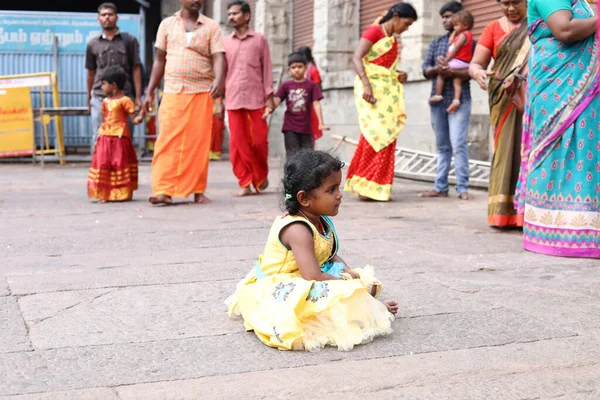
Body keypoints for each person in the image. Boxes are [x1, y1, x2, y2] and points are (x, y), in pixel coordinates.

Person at [226, 150, 398, 351]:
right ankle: (370, 308)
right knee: (345, 295)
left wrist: (352, 274)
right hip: (286, 284)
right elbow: (312, 275)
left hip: (311, 275)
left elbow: (330, 255)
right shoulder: (298, 229)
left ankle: (365, 304)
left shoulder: (320, 220)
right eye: (331, 190)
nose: (339, 195)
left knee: (366, 284)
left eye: (338, 188)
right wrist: (348, 285)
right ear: (304, 198)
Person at [515, 0, 599, 258]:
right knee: (564, 148)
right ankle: (558, 231)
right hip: (559, 90)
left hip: (586, 88)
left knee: (587, 155)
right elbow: (565, 29)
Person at [143, 0, 225, 205]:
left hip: (201, 91)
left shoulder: (211, 26)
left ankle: (197, 190)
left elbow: (218, 58)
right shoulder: (167, 24)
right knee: (167, 141)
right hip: (173, 90)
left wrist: (219, 80)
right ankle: (163, 190)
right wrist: (149, 91)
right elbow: (159, 60)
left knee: (198, 143)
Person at [344, 2, 416, 202]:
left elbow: (386, 68)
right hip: (371, 92)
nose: (406, 28)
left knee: (387, 138)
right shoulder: (374, 31)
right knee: (374, 136)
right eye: (406, 23)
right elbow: (357, 58)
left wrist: (399, 75)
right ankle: (364, 185)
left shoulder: (391, 39)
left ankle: (376, 187)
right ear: (395, 17)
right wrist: (367, 85)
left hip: (387, 94)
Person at [469, 0, 529, 228]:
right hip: (502, 98)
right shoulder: (492, 28)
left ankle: (529, 212)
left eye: (516, 2)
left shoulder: (538, 22)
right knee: (505, 150)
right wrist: (478, 73)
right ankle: (503, 212)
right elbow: (475, 63)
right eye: (505, 3)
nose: (511, 8)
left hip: (533, 96)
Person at [420, 1, 472, 200]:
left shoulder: (469, 40)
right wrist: (438, 70)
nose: (445, 20)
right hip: (438, 101)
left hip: (460, 100)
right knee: (442, 146)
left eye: (448, 16)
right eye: (442, 17)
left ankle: (462, 188)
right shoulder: (437, 42)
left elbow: (472, 69)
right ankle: (440, 186)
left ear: (460, 17)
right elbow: (426, 70)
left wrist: (453, 71)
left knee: (459, 144)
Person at [223, 0, 274, 197]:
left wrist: (269, 96)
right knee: (237, 144)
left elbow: (267, 68)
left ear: (247, 15)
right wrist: (219, 101)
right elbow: (222, 72)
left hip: (256, 99)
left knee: (260, 142)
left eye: (235, 13)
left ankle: (260, 176)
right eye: (229, 14)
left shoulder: (260, 40)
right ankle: (244, 182)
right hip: (233, 99)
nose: (231, 17)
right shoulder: (225, 43)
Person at [86, 2, 142, 147]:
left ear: (116, 18)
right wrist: (88, 98)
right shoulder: (93, 44)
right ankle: (100, 168)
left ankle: (123, 169)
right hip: (99, 97)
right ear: (98, 19)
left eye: (110, 14)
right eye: (103, 15)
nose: (107, 18)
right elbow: (91, 72)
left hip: (124, 97)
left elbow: (136, 69)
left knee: (124, 137)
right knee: (99, 137)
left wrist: (137, 97)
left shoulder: (129, 41)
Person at [87, 67, 144, 203]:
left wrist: (140, 117)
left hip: (120, 139)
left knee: (119, 163)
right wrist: (98, 138)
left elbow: (133, 119)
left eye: (104, 84)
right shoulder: (105, 102)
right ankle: (104, 193)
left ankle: (122, 193)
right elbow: (103, 120)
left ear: (113, 85)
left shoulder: (125, 100)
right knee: (104, 163)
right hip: (105, 137)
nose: (102, 87)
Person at [263, 53, 329, 157]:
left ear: (306, 68)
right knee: (292, 156)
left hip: (306, 128)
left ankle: (305, 174)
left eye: (300, 67)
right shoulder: (286, 85)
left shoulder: (311, 85)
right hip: (290, 127)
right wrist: (269, 107)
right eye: (293, 67)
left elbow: (316, 104)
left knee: (307, 157)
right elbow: (277, 100)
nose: (297, 70)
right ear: (289, 69)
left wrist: (321, 123)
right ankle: (292, 174)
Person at [430, 10, 474, 114]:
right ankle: (456, 100)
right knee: (457, 81)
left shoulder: (464, 34)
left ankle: (438, 94)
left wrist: (447, 60)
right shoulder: (460, 34)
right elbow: (450, 42)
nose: (454, 28)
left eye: (456, 25)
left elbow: (455, 49)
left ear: (465, 25)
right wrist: (455, 32)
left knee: (441, 72)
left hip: (458, 61)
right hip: (461, 63)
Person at [297, 46, 324, 145]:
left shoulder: (313, 70)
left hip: (310, 105)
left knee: (309, 131)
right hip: (299, 104)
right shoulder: (300, 69)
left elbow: (317, 89)